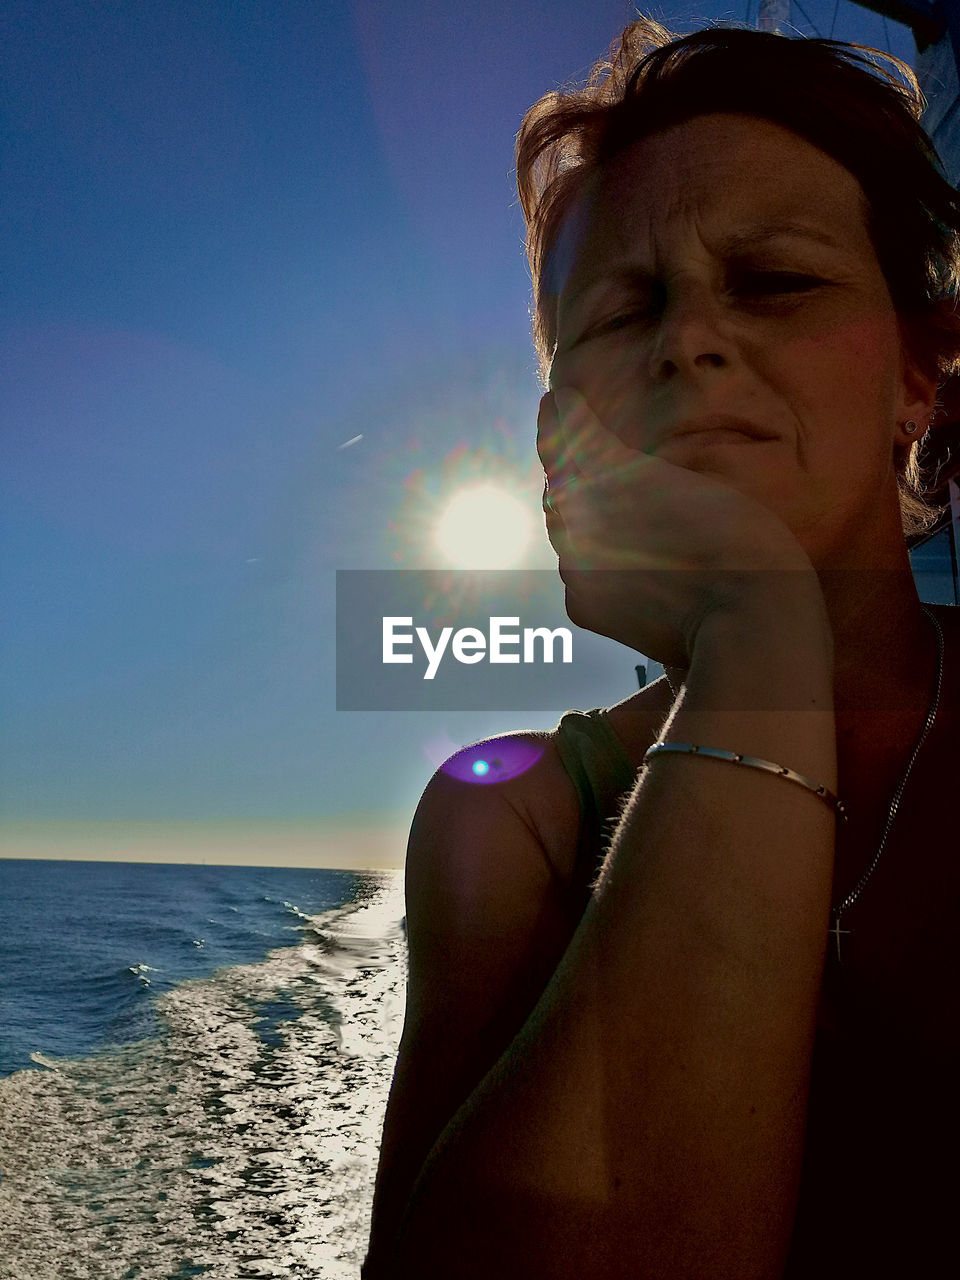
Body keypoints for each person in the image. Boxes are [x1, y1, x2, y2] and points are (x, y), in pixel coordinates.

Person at [363, 17, 960, 1279]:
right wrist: (754, 621)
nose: (690, 338)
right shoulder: (513, 823)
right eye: (623, 310)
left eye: (775, 282)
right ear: (564, 426)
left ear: (920, 373)